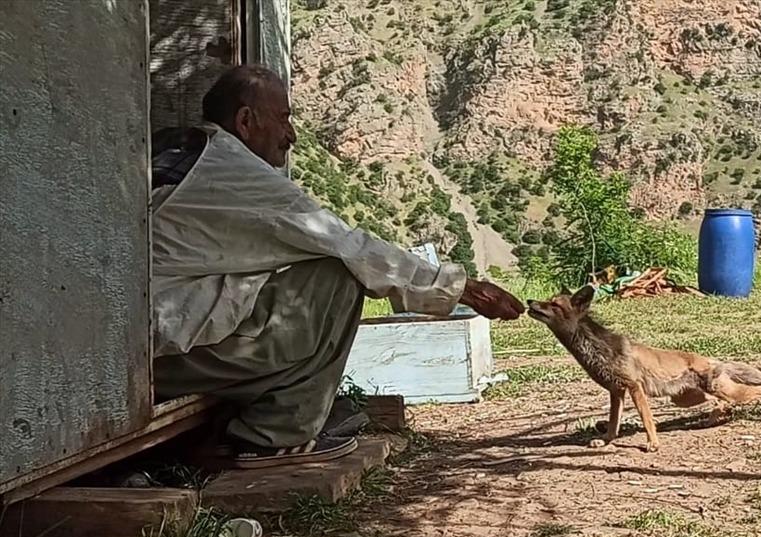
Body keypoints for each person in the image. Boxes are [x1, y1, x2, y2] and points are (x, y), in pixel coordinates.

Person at [150, 65, 524, 468]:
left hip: (148, 344)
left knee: (305, 272)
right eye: (283, 119)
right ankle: (275, 433)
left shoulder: (183, 153)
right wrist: (461, 288)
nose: (290, 135)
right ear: (245, 121)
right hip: (163, 359)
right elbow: (351, 246)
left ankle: (248, 414)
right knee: (340, 272)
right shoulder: (234, 172)